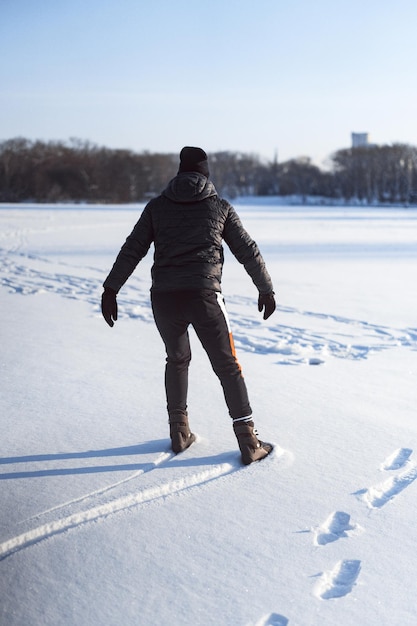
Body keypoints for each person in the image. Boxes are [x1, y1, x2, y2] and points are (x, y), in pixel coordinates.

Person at [101, 147, 276, 465]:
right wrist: (266, 289)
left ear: (180, 173)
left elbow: (133, 248)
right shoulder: (219, 207)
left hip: (165, 298)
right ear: (206, 174)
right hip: (204, 295)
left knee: (177, 359)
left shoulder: (157, 207)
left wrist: (111, 289)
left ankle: (179, 432)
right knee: (227, 366)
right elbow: (247, 250)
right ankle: (249, 441)